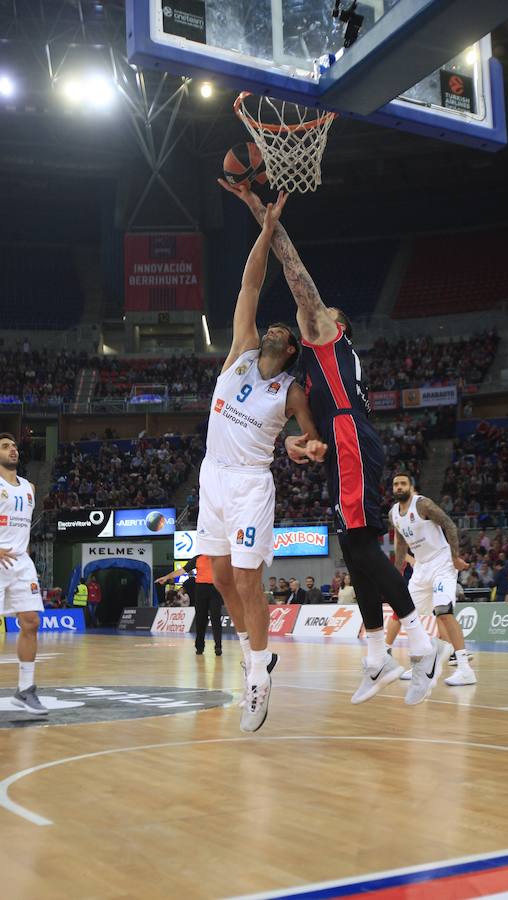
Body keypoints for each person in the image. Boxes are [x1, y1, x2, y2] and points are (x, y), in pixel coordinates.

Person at [220, 180, 445, 707]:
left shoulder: (327, 335)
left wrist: (265, 220)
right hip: (343, 440)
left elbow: (298, 279)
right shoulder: (315, 374)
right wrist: (304, 446)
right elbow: (304, 434)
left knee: (361, 546)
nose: (306, 313)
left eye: (317, 313)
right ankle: (374, 656)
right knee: (353, 546)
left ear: (333, 326)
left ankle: (419, 645)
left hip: (351, 436)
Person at [196, 193, 327, 732]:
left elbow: (307, 440)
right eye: (272, 328)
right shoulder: (240, 354)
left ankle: (255, 675)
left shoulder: (291, 390)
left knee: (249, 582)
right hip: (211, 477)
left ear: (291, 349)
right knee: (222, 579)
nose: (273, 330)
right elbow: (250, 285)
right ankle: (259, 657)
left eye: (283, 333)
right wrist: (267, 227)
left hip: (250, 484)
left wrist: (305, 447)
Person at [386, 471, 477, 687]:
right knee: (404, 613)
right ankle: (422, 661)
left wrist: (454, 557)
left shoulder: (422, 504)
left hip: (442, 562)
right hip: (421, 568)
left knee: (443, 611)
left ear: (410, 486)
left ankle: (465, 668)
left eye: (403, 484)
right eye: (396, 484)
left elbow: (449, 525)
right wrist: (397, 572)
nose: (399, 487)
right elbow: (400, 543)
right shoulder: (393, 514)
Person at [0, 433, 47, 714]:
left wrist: (25, 553)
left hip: (21, 563)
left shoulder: (30, 487)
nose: (13, 450)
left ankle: (25, 689)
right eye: (6, 447)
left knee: (30, 622)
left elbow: (23, 527)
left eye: (14, 446)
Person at [156, 555, 224, 656]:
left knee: (216, 617)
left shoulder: (219, 558)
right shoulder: (197, 558)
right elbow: (181, 571)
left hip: (215, 588)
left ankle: (218, 646)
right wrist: (167, 577)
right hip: (201, 589)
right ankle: (199, 647)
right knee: (200, 619)